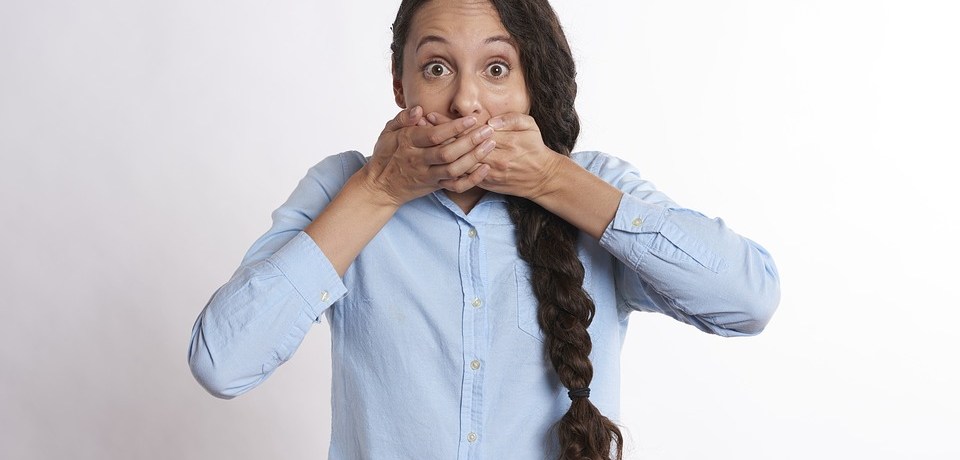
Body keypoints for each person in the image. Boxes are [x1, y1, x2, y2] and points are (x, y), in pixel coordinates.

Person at [187, 0, 781, 458]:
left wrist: (552, 181)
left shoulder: (593, 186)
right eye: (437, 68)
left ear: (530, 83)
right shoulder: (347, 188)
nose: (466, 102)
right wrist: (379, 192)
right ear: (400, 85)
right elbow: (223, 363)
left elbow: (748, 300)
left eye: (497, 69)